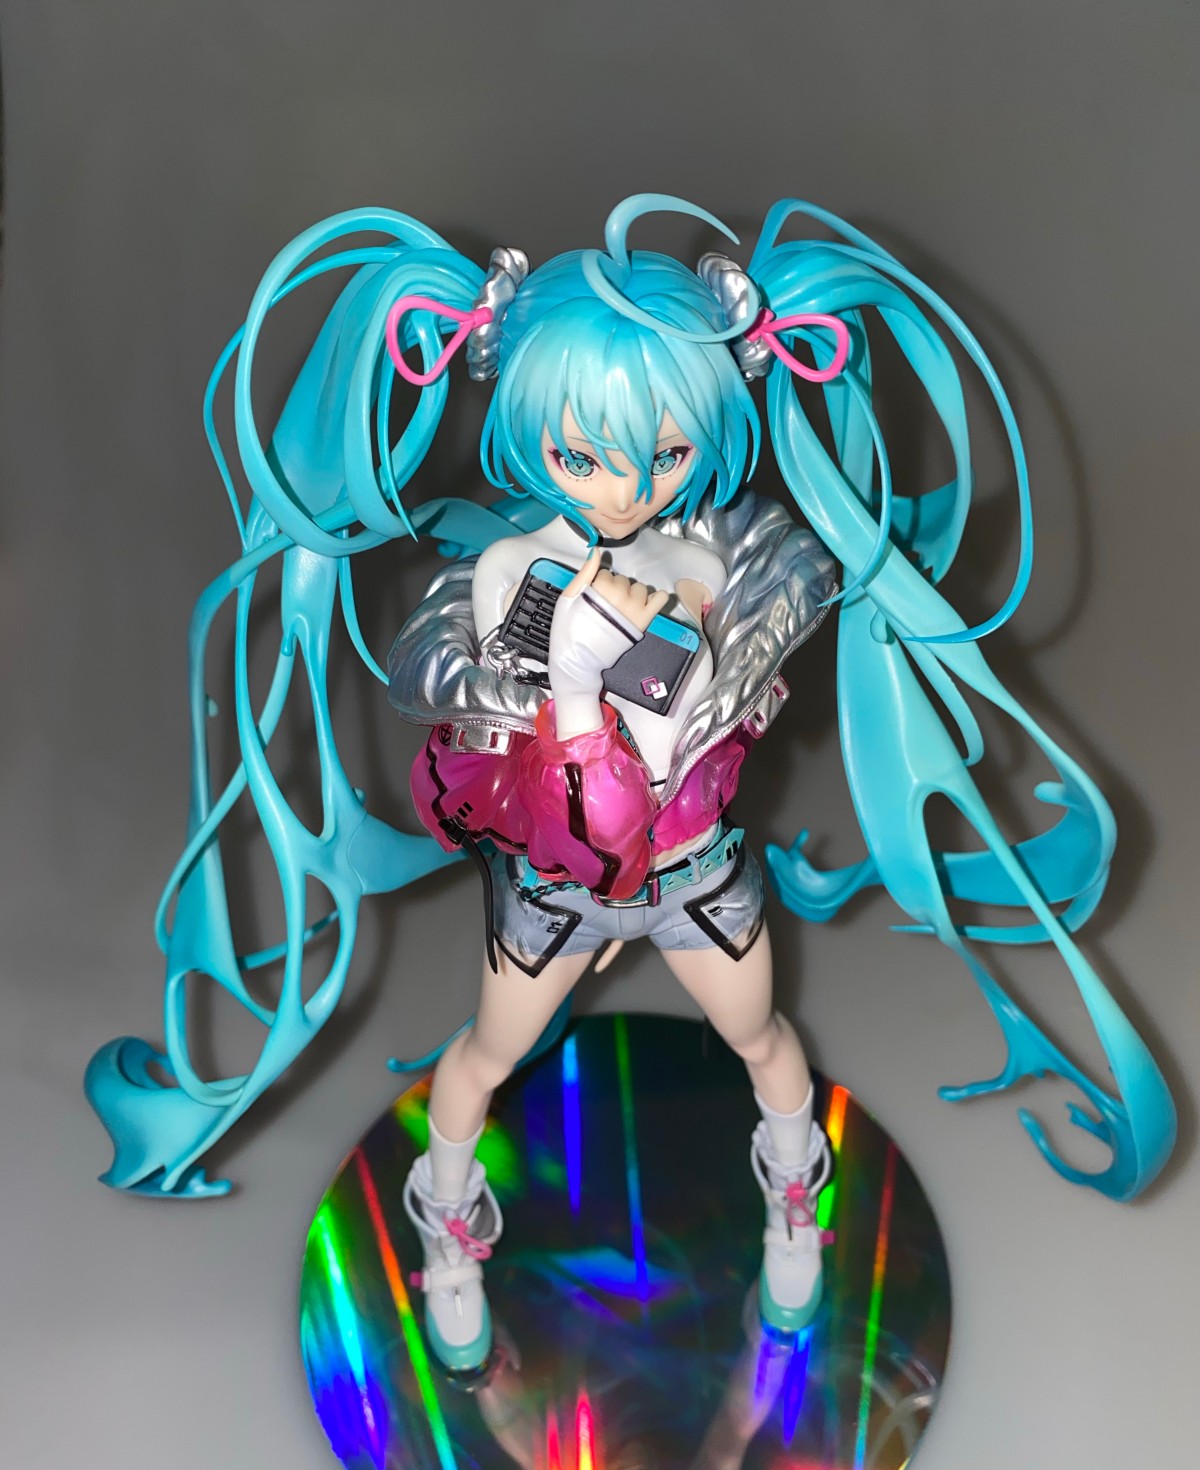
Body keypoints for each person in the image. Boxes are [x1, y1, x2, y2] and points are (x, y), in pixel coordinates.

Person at [86, 197, 1175, 1365]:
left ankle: (793, 1199)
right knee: (483, 1059)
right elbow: (524, 719)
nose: (620, 492)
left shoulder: (716, 549)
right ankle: (448, 1230)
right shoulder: (514, 570)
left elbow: (725, 654)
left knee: (766, 1041)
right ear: (528, 431)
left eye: (662, 454)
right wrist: (581, 667)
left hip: (695, 872)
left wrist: (702, 652)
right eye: (579, 456)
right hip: (556, 887)